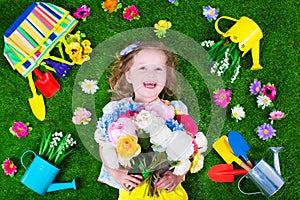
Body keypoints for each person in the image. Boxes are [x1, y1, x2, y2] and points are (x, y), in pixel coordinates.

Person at [94, 41, 207, 200]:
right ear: (129, 75)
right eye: (142, 68)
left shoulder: (175, 110)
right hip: (133, 186)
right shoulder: (116, 110)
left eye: (158, 69)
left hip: (166, 187)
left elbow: (187, 147)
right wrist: (115, 173)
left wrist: (176, 176)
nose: (151, 74)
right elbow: (104, 144)